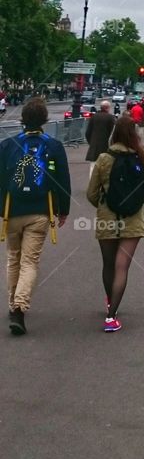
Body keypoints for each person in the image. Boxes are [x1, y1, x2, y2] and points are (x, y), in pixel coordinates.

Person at [0, 97, 72, 335]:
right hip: (41, 210)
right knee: (30, 261)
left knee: (13, 258)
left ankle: (13, 304)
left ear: (23, 118)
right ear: (44, 119)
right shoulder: (53, 145)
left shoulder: (8, 144)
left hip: (13, 210)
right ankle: (20, 307)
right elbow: (62, 180)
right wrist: (63, 210)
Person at [86, 114, 144, 332]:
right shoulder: (142, 156)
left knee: (108, 265)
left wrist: (104, 203)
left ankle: (110, 301)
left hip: (108, 218)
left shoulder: (104, 159)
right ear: (134, 134)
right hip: (133, 219)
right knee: (122, 267)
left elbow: (91, 193)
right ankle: (111, 316)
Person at [85, 99, 115, 179]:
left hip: (94, 146)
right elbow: (113, 133)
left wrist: (91, 142)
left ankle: (92, 186)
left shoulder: (94, 117)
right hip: (106, 146)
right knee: (105, 167)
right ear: (107, 108)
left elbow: (88, 132)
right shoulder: (110, 118)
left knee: (93, 166)